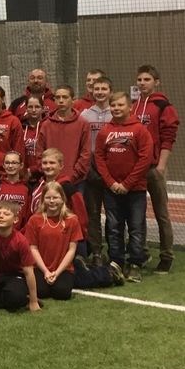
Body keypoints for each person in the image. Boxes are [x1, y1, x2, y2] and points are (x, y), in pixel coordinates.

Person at [96, 91, 154, 282]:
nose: (116, 108)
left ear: (130, 107)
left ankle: (135, 263)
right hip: (111, 190)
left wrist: (127, 184)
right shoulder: (105, 131)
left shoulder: (140, 130)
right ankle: (116, 262)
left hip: (135, 190)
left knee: (136, 227)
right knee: (113, 226)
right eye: (113, 105)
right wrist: (111, 182)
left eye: (121, 105)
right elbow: (99, 158)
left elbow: (145, 159)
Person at [130, 64, 179, 273]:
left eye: (147, 79)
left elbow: (169, 137)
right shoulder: (133, 105)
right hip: (136, 170)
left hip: (154, 168)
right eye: (140, 80)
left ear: (156, 82)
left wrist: (161, 166)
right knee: (137, 214)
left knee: (161, 214)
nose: (142, 83)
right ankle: (140, 252)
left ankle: (166, 256)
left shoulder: (162, 105)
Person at [25, 181, 82, 300]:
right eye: (48, 198)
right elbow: (33, 248)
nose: (51, 201)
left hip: (63, 268)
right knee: (41, 292)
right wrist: (46, 271)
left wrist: (57, 272)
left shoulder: (72, 220)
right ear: (43, 199)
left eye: (55, 197)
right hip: (40, 267)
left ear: (62, 199)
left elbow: (72, 250)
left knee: (62, 293)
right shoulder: (34, 220)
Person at [79, 76, 113, 265]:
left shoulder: (116, 113)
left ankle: (115, 251)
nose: (100, 92)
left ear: (110, 91)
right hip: (91, 172)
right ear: (92, 90)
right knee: (92, 213)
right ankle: (97, 252)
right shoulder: (84, 115)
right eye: (97, 89)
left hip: (112, 172)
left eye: (104, 89)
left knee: (113, 214)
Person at [37, 85, 91, 186]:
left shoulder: (83, 123)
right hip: (50, 180)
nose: (61, 100)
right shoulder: (46, 124)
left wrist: (73, 176)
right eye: (58, 97)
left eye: (65, 97)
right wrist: (48, 173)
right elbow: (39, 152)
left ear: (73, 100)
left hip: (75, 181)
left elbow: (86, 153)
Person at [0, 151, 29, 230]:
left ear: (21, 165)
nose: (10, 166)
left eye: (14, 163)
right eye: (7, 163)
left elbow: (28, 214)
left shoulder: (27, 188)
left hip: (20, 233)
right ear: (3, 165)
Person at [21, 95, 45, 183]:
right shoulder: (20, 127)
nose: (34, 110)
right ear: (26, 109)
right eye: (30, 107)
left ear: (42, 109)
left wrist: (33, 170)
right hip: (23, 175)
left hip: (43, 174)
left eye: (37, 107)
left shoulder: (47, 127)